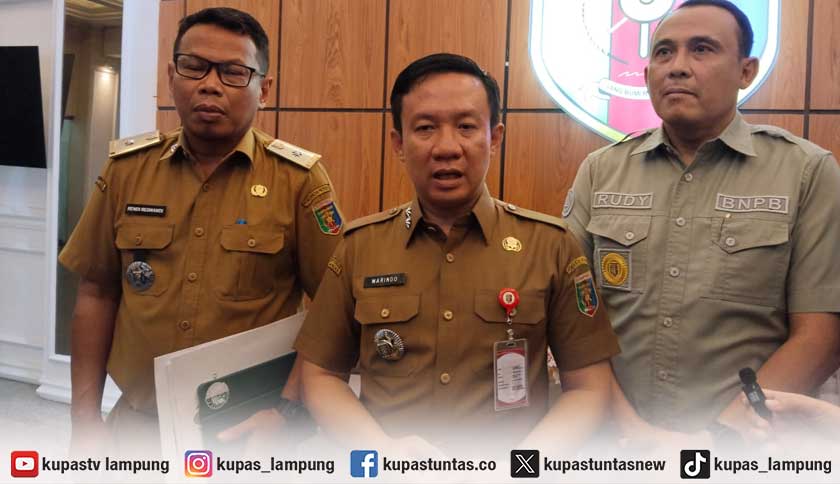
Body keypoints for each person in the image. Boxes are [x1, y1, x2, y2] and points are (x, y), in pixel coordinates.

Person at [294, 53, 621, 456]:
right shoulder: (360, 247)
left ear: (494, 138)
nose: (447, 148)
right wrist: (380, 451)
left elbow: (589, 386)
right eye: (425, 128)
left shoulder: (550, 245)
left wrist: (523, 467)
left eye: (466, 127)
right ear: (398, 143)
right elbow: (321, 374)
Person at [59, 7, 343, 455]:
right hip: (136, 424)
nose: (210, 84)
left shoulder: (300, 181)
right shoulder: (127, 171)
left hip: (249, 429)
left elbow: (334, 309)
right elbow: (96, 293)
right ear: (171, 76)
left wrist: (288, 412)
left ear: (264, 89)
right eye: (194, 66)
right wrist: (84, 419)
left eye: (234, 72)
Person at [564, 0, 840, 446]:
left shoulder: (806, 172)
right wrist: (634, 433)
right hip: (618, 445)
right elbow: (573, 323)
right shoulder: (600, 171)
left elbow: (821, 337)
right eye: (664, 52)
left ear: (746, 71)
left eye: (702, 49)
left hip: (750, 450)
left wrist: (718, 437)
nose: (677, 67)